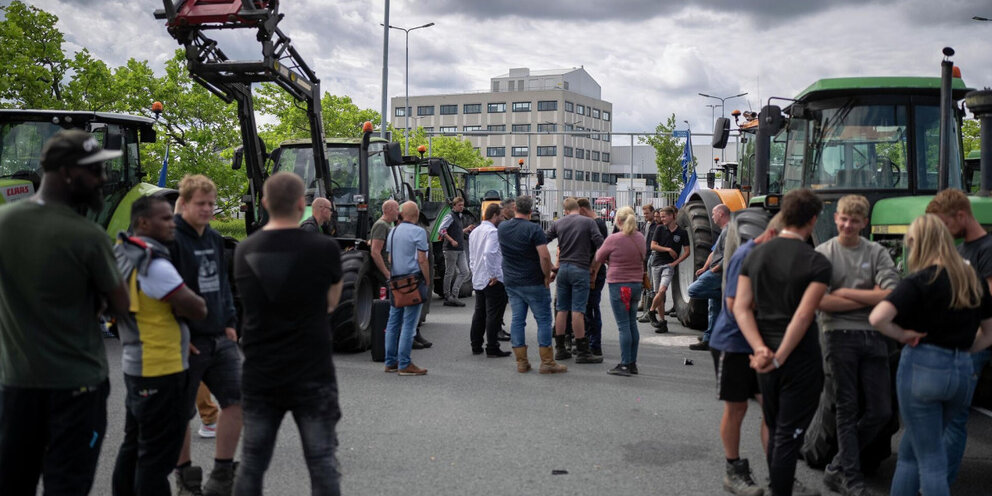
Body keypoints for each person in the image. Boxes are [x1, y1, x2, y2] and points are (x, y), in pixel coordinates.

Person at [0, 129, 129, 495]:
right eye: (95, 171)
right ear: (68, 173)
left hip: (15, 386)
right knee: (67, 486)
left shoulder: (4, 224)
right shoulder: (88, 237)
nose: (102, 180)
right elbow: (122, 307)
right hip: (78, 387)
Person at [232, 172, 344, 495]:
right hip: (312, 371)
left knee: (252, 462)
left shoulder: (244, 251)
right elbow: (331, 303)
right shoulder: (325, 249)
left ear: (265, 203)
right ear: (301, 204)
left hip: (260, 371)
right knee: (322, 463)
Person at [869, 214, 992, 496]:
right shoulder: (972, 280)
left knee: (930, 460)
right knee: (914, 449)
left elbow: (878, 317)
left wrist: (903, 336)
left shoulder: (918, 281)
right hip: (961, 371)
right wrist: (963, 352)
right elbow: (989, 333)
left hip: (922, 368)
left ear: (917, 243)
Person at [734, 189, 831, 496]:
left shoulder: (755, 254)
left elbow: (741, 307)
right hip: (799, 359)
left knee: (776, 429)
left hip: (763, 357)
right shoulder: (816, 262)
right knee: (788, 436)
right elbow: (803, 316)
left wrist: (761, 349)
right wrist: (779, 356)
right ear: (813, 219)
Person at [112, 196, 208, 496]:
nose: (172, 224)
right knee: (156, 458)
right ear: (143, 223)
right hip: (161, 369)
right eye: (165, 219)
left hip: (136, 364)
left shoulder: (122, 251)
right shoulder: (152, 261)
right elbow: (197, 307)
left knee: (133, 445)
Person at [815, 195, 900, 496]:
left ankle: (838, 465)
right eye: (844, 219)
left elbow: (890, 293)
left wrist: (846, 293)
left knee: (881, 411)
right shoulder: (823, 253)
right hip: (839, 336)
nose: (848, 225)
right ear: (836, 218)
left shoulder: (876, 251)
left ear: (865, 223)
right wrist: (869, 294)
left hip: (875, 336)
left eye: (855, 220)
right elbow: (821, 300)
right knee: (847, 408)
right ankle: (850, 477)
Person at [169, 174, 242, 496]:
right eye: (201, 204)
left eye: (211, 204)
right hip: (188, 341)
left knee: (238, 400)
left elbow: (223, 284)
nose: (208, 209)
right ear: (183, 203)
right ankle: (185, 477)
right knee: (179, 412)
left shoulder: (213, 237)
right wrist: (178, 337)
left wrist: (229, 320)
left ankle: (223, 473)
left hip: (219, 337)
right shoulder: (170, 239)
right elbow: (163, 293)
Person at [709, 214, 782, 496]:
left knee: (771, 409)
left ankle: (779, 472)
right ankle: (734, 471)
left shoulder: (774, 256)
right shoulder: (745, 256)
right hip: (733, 343)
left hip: (759, 343)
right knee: (737, 408)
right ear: (771, 234)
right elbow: (732, 305)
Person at [926, 188, 992, 485]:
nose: (942, 231)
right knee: (952, 417)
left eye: (945, 223)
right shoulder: (962, 250)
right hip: (965, 341)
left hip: (978, 340)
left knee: (954, 418)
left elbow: (988, 297)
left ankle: (938, 486)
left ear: (961, 216)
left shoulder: (986, 249)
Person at [499, 196, 566, 374]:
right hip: (533, 280)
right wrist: (547, 275)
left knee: (517, 320)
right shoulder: (533, 229)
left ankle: (521, 362)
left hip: (512, 281)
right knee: (543, 320)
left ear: (515, 209)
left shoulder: (503, 228)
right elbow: (544, 256)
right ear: (531, 211)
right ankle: (547, 362)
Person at [545, 197, 604, 363]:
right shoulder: (588, 223)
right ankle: (582, 350)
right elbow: (602, 245)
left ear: (565, 210)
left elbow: (542, 241)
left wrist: (551, 266)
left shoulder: (559, 223)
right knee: (578, 310)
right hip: (581, 269)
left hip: (563, 268)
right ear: (578, 208)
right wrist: (593, 265)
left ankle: (560, 348)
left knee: (561, 309)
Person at [590, 207, 645, 376]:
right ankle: (632, 362)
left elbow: (598, 257)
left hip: (619, 285)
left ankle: (625, 364)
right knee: (631, 324)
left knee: (623, 326)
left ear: (618, 221)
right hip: (636, 284)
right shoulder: (640, 237)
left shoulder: (614, 239)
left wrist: (611, 260)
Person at [384, 201, 431, 376]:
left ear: (403, 214)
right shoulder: (419, 232)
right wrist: (426, 280)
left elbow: (390, 259)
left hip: (395, 282)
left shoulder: (392, 231)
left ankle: (390, 362)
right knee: (409, 325)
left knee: (393, 322)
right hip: (413, 282)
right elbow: (422, 259)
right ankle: (405, 364)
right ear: (417, 214)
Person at [468, 203, 511, 357]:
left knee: (479, 312)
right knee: (494, 314)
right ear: (494, 216)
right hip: (492, 278)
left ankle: (476, 344)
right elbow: (489, 253)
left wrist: (475, 271)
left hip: (479, 276)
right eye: (500, 216)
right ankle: (492, 346)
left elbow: (472, 256)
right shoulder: (493, 232)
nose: (502, 218)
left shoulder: (475, 231)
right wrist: (493, 274)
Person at [688, 204, 731, 351]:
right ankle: (710, 338)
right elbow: (714, 252)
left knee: (692, 291)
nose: (712, 217)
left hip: (718, 273)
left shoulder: (730, 231)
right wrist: (705, 267)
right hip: (713, 270)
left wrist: (716, 269)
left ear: (720, 214)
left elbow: (729, 253)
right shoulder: (723, 231)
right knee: (713, 308)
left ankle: (723, 293)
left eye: (713, 214)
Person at [647, 206, 690, 333]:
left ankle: (651, 311)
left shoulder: (682, 233)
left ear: (672, 216)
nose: (662, 219)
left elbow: (687, 252)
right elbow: (653, 246)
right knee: (659, 294)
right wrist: (668, 249)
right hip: (656, 264)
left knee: (662, 289)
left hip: (669, 266)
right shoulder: (660, 229)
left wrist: (675, 263)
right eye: (661, 217)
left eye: (664, 216)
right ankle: (662, 322)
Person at [578, 197, 609, 356]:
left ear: (582, 209)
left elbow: (600, 251)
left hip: (594, 272)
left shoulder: (597, 224)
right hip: (591, 271)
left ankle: (594, 344)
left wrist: (593, 271)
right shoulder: (595, 223)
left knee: (591, 308)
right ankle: (590, 340)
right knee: (587, 308)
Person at [439, 196, 473, 307]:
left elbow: (456, 231)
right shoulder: (450, 216)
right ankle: (448, 296)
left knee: (465, 271)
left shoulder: (459, 217)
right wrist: (451, 240)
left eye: (462, 205)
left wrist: (466, 229)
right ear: (454, 206)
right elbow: (441, 229)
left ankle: (454, 294)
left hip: (459, 249)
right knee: (450, 272)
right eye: (459, 205)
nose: (462, 207)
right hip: (450, 249)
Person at [370, 199, 400, 282]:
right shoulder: (381, 225)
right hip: (385, 274)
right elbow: (375, 252)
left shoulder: (388, 225)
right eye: (397, 209)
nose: (398, 212)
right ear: (389, 210)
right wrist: (387, 273)